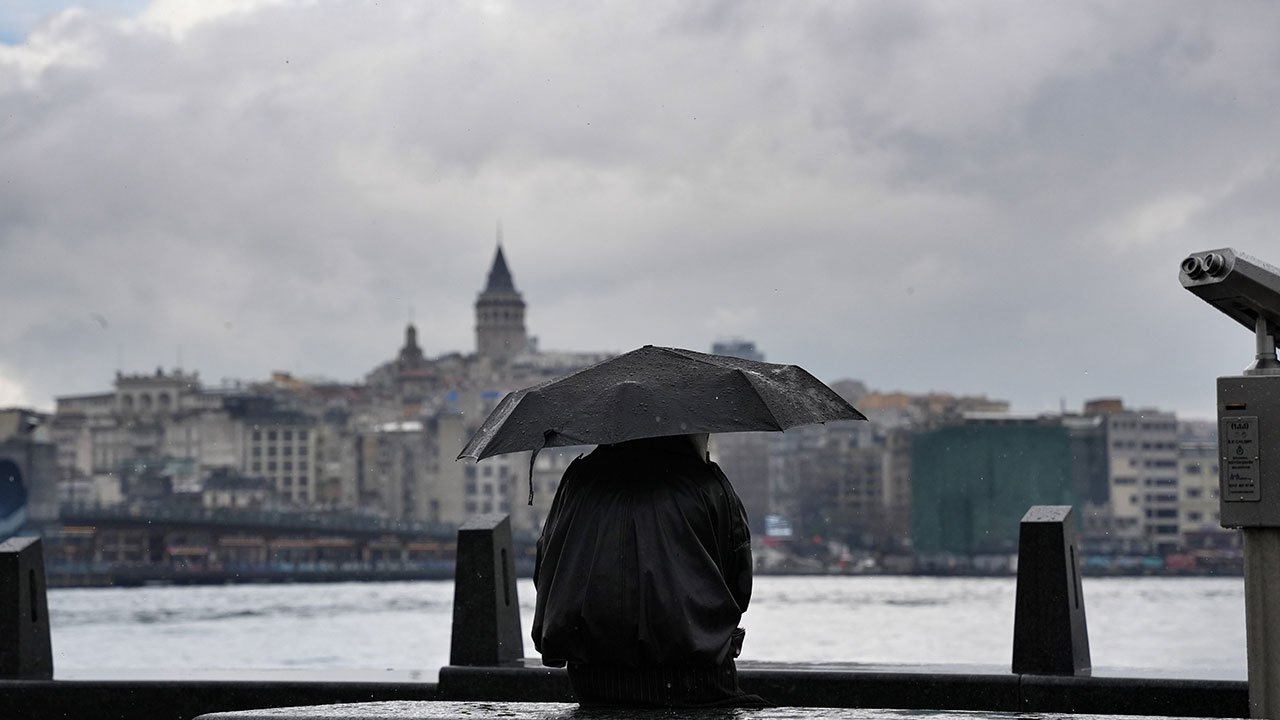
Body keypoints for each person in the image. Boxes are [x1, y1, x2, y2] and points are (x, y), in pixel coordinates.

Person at [531, 433, 766, 707]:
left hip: (594, 682)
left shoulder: (577, 481)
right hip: (693, 679)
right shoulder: (705, 482)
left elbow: (546, 572)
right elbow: (738, 587)